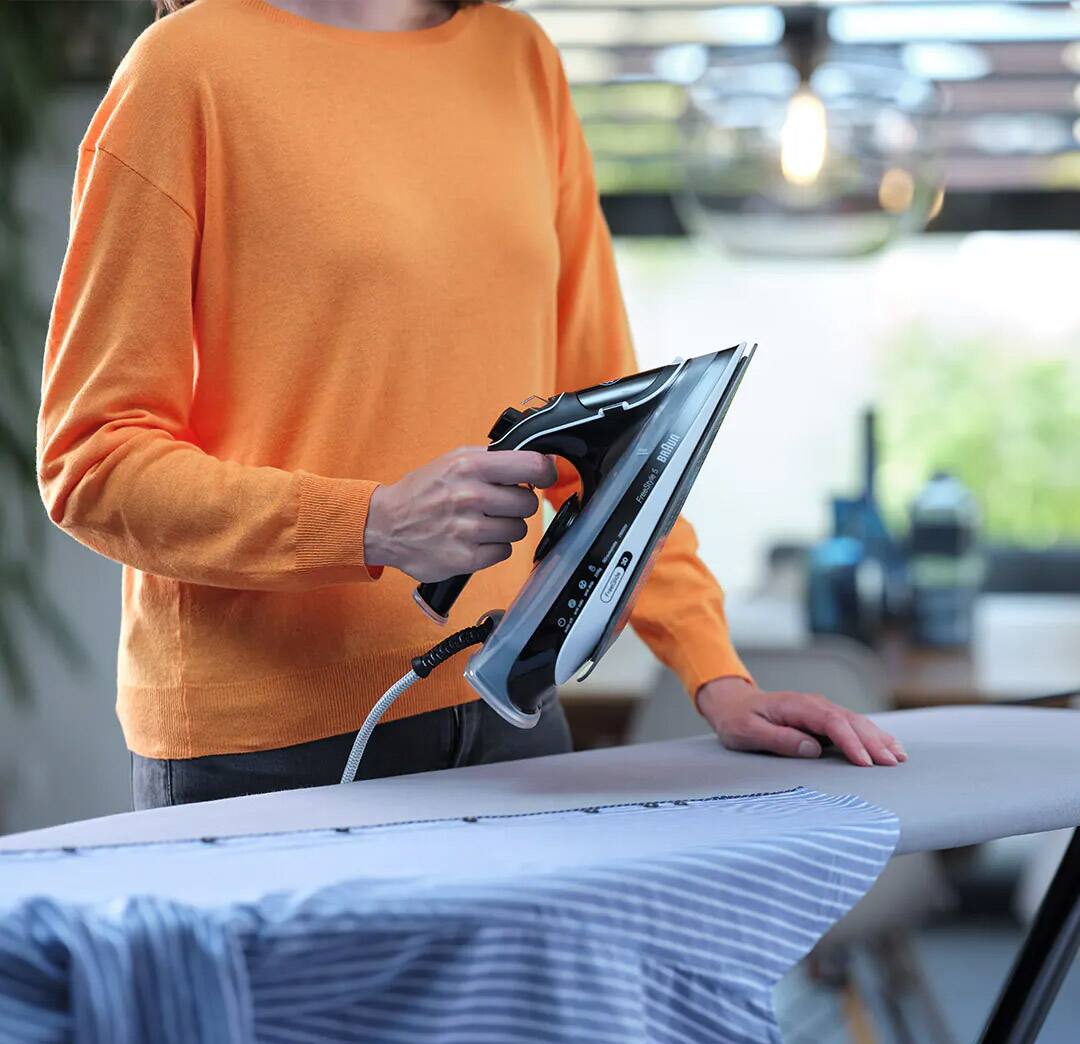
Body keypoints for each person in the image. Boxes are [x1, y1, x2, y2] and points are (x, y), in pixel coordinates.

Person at [37, 0, 905, 810]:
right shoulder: (187, 70)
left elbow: (618, 455)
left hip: (512, 719)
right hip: (268, 751)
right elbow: (91, 464)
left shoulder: (519, 62)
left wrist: (718, 678)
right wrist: (372, 523)